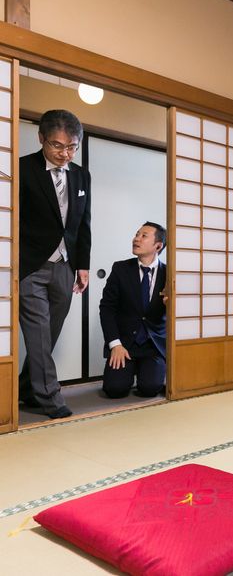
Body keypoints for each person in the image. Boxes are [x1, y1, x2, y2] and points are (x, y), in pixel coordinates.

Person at [19, 109, 91, 419]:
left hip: (65, 266)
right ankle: (51, 398)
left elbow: (83, 224)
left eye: (72, 147)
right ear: (41, 139)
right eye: (57, 146)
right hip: (31, 266)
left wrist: (83, 265)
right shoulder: (23, 169)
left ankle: (26, 389)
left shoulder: (81, 175)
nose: (65, 154)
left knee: (48, 334)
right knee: (38, 332)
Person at [100, 222, 167, 399]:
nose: (136, 239)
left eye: (144, 236)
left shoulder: (169, 273)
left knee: (150, 389)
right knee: (114, 389)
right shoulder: (120, 269)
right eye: (137, 234)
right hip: (124, 344)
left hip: (153, 345)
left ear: (158, 246)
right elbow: (106, 309)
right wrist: (115, 345)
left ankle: (150, 371)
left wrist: (172, 304)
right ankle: (129, 370)